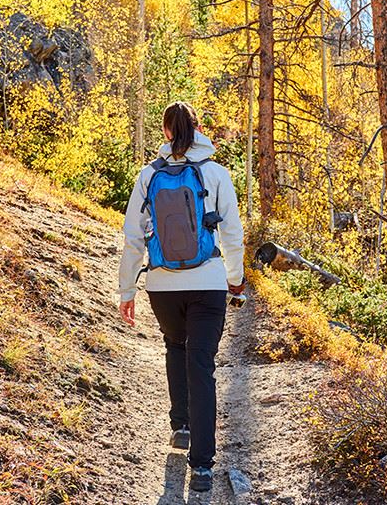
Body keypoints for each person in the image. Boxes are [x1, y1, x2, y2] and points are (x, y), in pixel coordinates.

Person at [118, 101, 245, 492]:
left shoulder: (148, 175)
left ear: (167, 133)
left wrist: (127, 290)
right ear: (199, 128)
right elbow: (233, 235)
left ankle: (181, 427)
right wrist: (235, 280)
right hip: (207, 284)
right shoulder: (217, 174)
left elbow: (133, 238)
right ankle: (203, 468)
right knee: (201, 365)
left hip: (161, 284)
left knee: (174, 346)